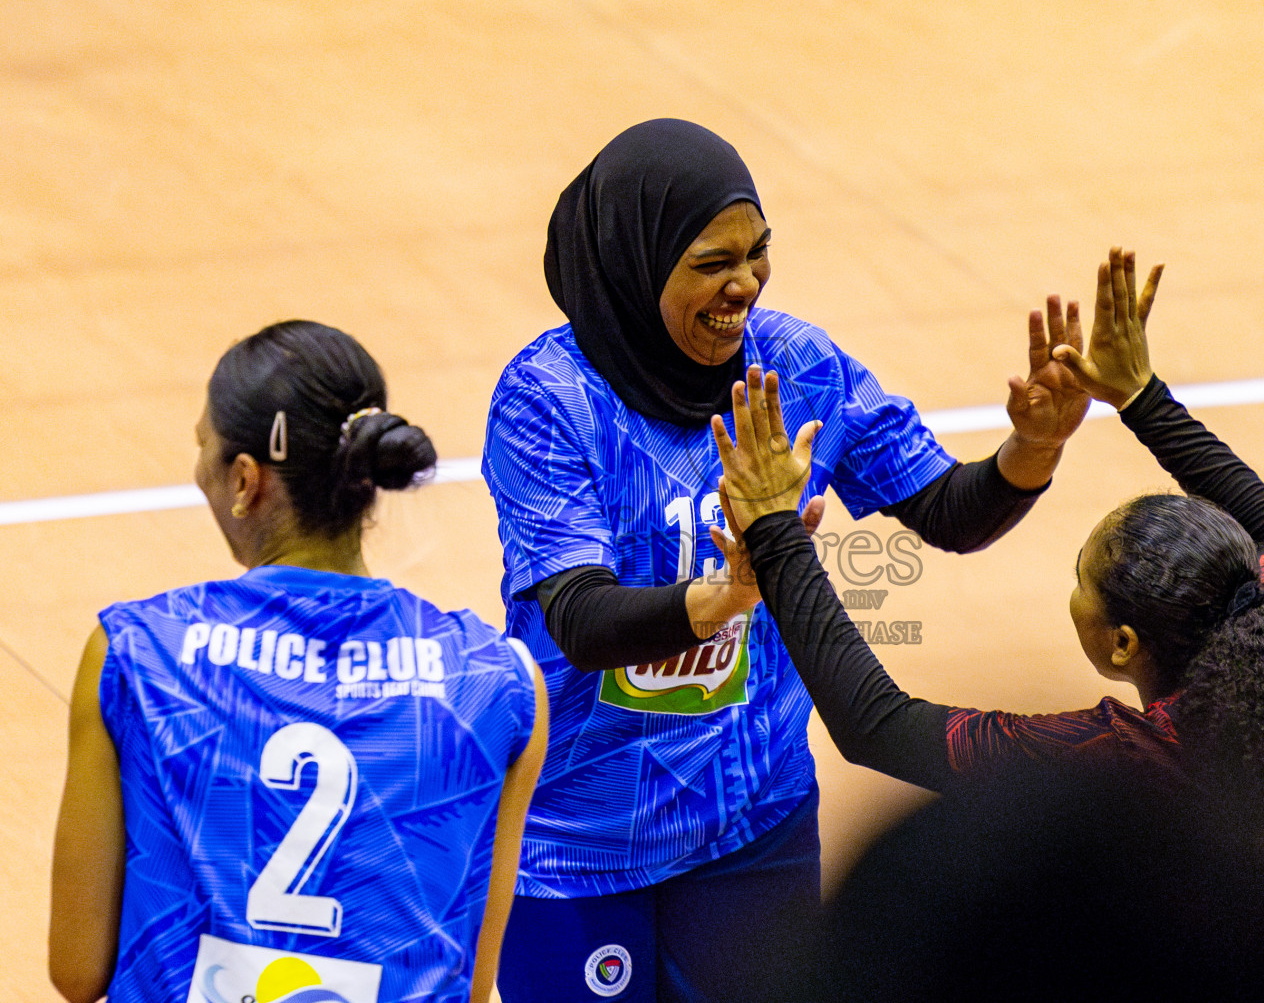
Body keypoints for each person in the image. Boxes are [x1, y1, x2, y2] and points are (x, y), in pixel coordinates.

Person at [714, 249, 1264, 1002]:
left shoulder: (1133, 752)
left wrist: (776, 535)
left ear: (1122, 643)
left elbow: (878, 726)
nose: (1071, 591)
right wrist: (1140, 395)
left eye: (1080, 580)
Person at [481, 118, 1090, 1002]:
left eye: (758, 254)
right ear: (635, 262)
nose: (744, 286)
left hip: (754, 826)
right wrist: (724, 597)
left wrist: (1030, 449)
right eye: (711, 263)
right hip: (583, 841)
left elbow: (946, 513)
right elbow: (578, 618)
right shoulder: (549, 400)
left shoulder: (797, 364)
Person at [49, 320, 548, 1003]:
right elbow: (474, 978)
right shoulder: (497, 679)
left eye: (206, 448)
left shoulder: (137, 652)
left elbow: (78, 971)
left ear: (245, 481)